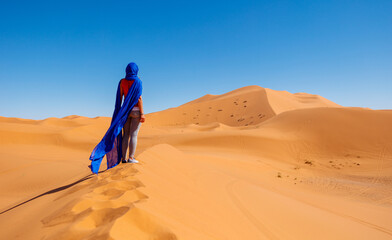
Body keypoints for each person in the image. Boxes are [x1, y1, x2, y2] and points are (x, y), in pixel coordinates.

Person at [119, 64, 146, 163]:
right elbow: (139, 98)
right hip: (136, 111)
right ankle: (131, 158)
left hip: (125, 111)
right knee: (133, 135)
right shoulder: (138, 81)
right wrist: (142, 113)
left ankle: (123, 158)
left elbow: (121, 97)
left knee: (125, 134)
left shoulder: (122, 82)